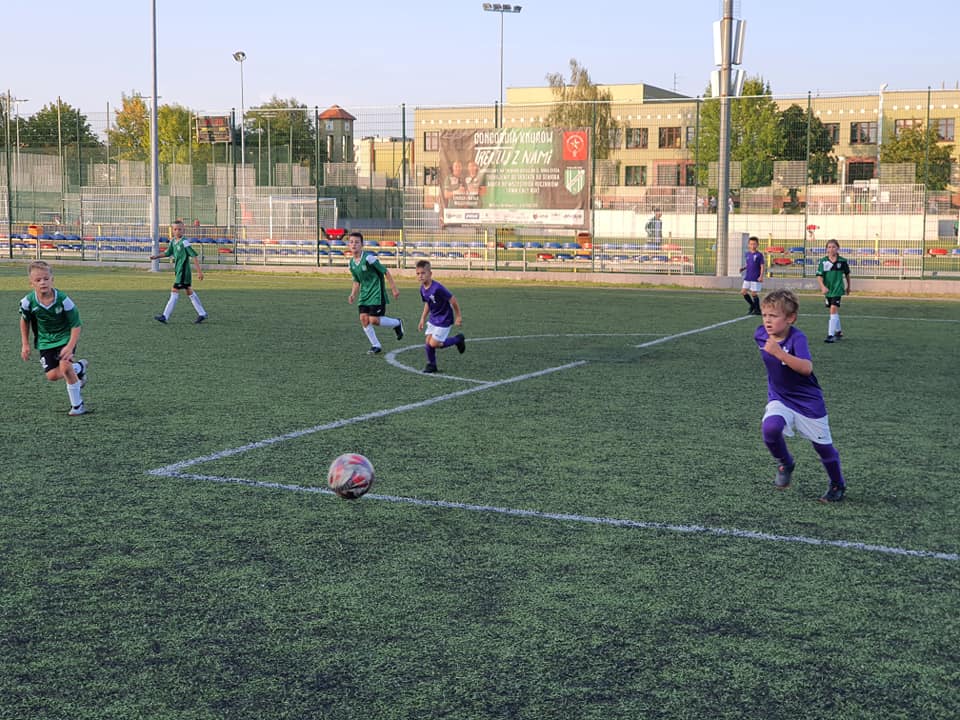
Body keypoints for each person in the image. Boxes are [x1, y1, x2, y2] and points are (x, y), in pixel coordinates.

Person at [755, 289, 846, 503]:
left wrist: (779, 353)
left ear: (790, 318)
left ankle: (837, 483)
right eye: (765, 315)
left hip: (808, 401)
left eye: (774, 316)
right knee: (770, 428)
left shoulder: (798, 338)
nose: (767, 320)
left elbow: (806, 368)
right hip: (779, 397)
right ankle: (785, 463)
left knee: (823, 448)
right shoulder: (760, 334)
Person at [18, 260, 89, 416]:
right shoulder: (27, 302)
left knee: (65, 367)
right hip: (45, 341)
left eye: (46, 278)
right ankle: (79, 367)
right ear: (31, 283)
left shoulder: (63, 300)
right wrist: (25, 344)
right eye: (38, 280)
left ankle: (77, 406)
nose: (42, 282)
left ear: (52, 279)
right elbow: (24, 320)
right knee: (52, 376)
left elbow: (76, 324)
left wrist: (70, 346)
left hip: (65, 338)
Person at [347, 231, 403, 354]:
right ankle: (376, 345)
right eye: (351, 242)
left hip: (376, 293)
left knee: (374, 320)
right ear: (348, 245)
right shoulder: (351, 263)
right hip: (364, 295)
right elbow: (356, 281)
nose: (354, 244)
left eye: (357, 242)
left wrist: (394, 288)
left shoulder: (369, 258)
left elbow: (385, 271)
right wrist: (353, 294)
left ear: (362, 245)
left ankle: (397, 323)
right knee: (363, 319)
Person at [150, 219, 208, 324]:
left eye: (180, 229)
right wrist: (156, 256)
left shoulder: (184, 242)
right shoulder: (173, 241)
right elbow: (168, 253)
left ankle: (165, 316)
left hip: (183, 272)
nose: (177, 231)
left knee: (174, 291)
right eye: (175, 229)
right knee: (189, 292)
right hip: (178, 271)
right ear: (172, 230)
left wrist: (199, 272)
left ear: (183, 230)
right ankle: (202, 313)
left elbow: (194, 255)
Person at [415, 260, 465, 373]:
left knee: (434, 343)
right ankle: (432, 365)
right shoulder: (422, 289)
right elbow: (428, 303)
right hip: (433, 319)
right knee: (428, 342)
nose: (420, 276)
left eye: (423, 273)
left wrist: (458, 316)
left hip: (444, 318)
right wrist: (422, 318)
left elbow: (452, 299)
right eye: (418, 273)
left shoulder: (437, 288)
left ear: (430, 274)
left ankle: (458, 339)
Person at [815, 239, 851, 343]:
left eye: (833, 247)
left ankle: (830, 335)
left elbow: (847, 275)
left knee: (833, 309)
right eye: (829, 247)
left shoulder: (842, 261)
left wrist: (848, 287)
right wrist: (822, 287)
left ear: (838, 248)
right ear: (826, 249)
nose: (831, 249)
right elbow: (819, 276)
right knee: (833, 310)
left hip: (838, 289)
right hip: (828, 290)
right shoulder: (823, 261)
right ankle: (838, 332)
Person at [739, 235, 765, 315]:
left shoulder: (759, 255)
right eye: (751, 244)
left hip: (755, 277)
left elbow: (762, 266)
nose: (752, 246)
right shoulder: (747, 254)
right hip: (748, 277)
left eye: (754, 244)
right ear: (748, 245)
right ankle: (753, 305)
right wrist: (743, 268)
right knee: (743, 292)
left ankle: (757, 310)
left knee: (754, 293)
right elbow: (749, 264)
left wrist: (761, 276)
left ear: (757, 245)